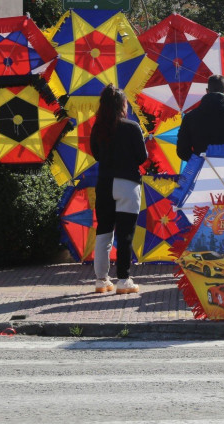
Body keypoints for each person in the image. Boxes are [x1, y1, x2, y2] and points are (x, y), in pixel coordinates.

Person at [89, 84, 148, 294]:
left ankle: (101, 280)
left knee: (103, 233)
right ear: (122, 105)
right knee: (125, 234)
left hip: (104, 184)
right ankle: (124, 280)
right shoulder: (132, 127)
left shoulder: (97, 128)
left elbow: (96, 154)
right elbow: (143, 157)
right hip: (128, 184)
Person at [176, 74, 224, 161]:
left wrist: (198, 161)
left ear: (207, 91)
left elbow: (182, 150)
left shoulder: (189, 117)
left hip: (201, 170)